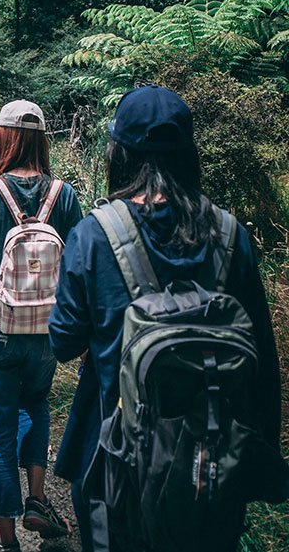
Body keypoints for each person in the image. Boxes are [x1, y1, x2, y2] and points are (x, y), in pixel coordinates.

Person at [48, 84, 283, 552]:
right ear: (188, 154)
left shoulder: (94, 236)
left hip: (116, 466)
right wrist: (261, 462)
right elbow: (264, 364)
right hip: (212, 465)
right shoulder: (230, 236)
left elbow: (64, 343)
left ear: (120, 153)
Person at [0, 100, 83, 552]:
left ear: (1, 138)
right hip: (46, 331)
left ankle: (5, 539)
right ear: (42, 140)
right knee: (37, 405)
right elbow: (78, 267)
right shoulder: (64, 194)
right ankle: (38, 500)